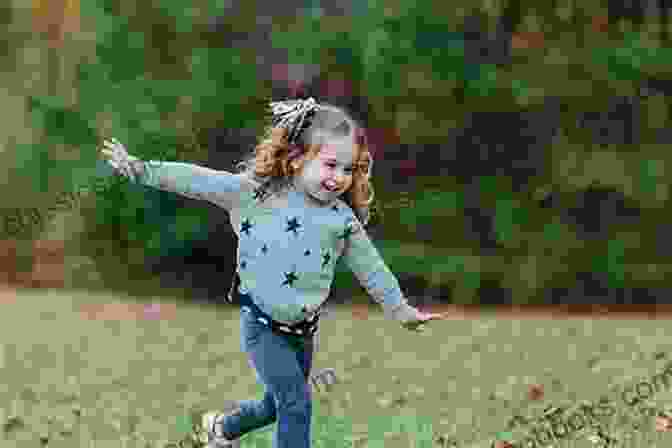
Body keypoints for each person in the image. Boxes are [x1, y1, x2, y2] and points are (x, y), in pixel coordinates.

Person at [100, 97, 446, 448]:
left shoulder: (342, 220)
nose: (339, 178)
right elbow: (197, 180)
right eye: (330, 165)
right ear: (296, 159)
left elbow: (371, 267)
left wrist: (399, 307)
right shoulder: (255, 195)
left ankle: (220, 428)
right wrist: (142, 169)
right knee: (296, 404)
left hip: (302, 333)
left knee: (274, 405)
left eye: (348, 169)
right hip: (262, 328)